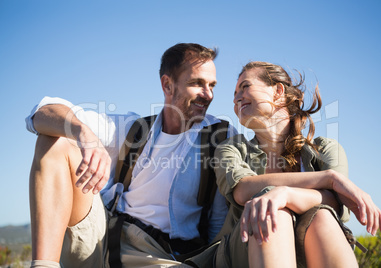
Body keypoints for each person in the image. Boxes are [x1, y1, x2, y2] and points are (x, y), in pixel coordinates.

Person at [26, 43, 238, 268]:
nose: (208, 95)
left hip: (159, 256)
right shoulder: (134, 129)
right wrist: (84, 135)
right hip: (102, 238)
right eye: (197, 83)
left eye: (212, 85)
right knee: (56, 139)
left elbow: (219, 221)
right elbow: (42, 112)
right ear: (167, 85)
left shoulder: (218, 136)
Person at [213, 61, 381, 267]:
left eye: (245, 87)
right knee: (272, 212)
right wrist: (328, 179)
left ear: (278, 91)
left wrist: (285, 194)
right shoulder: (230, 148)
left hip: (313, 245)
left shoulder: (326, 149)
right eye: (234, 93)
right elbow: (242, 188)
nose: (236, 98)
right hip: (241, 250)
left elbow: (336, 204)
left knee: (321, 215)